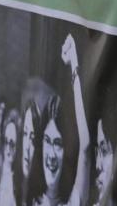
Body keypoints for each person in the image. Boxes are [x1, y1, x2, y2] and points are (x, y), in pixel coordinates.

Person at [32, 34, 91, 206]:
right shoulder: (30, 201)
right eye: (47, 141)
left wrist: (74, 64)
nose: (51, 154)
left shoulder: (73, 202)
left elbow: (85, 146)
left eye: (58, 143)